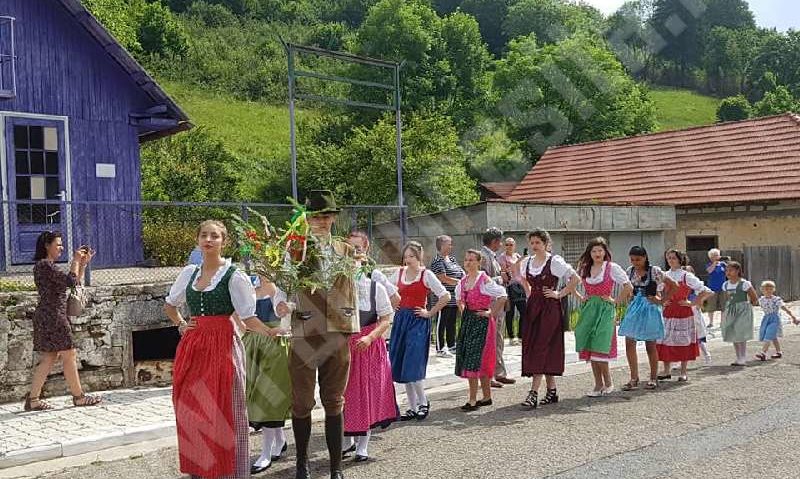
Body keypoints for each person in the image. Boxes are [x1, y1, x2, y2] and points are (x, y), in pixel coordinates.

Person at [166, 220, 277, 478]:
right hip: (194, 347)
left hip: (223, 345)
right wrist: (182, 325)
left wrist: (270, 331)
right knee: (191, 408)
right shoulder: (189, 273)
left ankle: (228, 471)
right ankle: (200, 468)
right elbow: (170, 305)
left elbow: (248, 317)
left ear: (223, 242)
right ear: (197, 241)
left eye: (214, 236)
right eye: (204, 235)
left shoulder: (233, 274)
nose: (208, 240)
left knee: (224, 409)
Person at [273, 190, 359, 479]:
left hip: (337, 331)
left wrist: (355, 325)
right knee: (302, 401)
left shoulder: (346, 250)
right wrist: (282, 308)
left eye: (327, 216)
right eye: (316, 216)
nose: (322, 221)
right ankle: (302, 463)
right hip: (305, 331)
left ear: (334, 218)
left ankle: (336, 467)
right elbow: (283, 287)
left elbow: (352, 289)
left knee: (334, 399)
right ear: (307, 219)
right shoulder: (296, 249)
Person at [24, 232, 100, 411]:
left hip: (49, 315)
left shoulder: (46, 267)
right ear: (47, 246)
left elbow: (73, 283)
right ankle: (79, 397)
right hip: (53, 316)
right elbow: (70, 280)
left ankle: (33, 399)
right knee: (69, 354)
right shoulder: (45, 266)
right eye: (58, 244)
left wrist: (82, 264)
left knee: (49, 358)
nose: (61, 247)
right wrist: (75, 260)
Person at [341, 231, 399, 463]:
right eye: (349, 249)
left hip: (368, 344)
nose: (353, 254)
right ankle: (347, 440)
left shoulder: (373, 281)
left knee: (365, 393)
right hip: (343, 344)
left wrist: (371, 335)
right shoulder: (337, 280)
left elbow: (390, 311)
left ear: (365, 251)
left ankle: (362, 443)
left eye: (357, 249)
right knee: (344, 393)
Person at [388, 241, 450, 421]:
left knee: (412, 363)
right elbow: (384, 289)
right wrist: (393, 305)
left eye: (412, 256)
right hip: (401, 321)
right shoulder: (399, 273)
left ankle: (423, 402)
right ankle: (412, 406)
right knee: (402, 363)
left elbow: (445, 295)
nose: (408, 260)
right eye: (406, 256)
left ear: (419, 257)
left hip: (417, 321)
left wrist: (429, 312)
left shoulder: (426, 274)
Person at [519, 229, 579, 409]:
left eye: (538, 242)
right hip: (533, 307)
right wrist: (529, 294)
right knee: (538, 346)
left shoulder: (554, 261)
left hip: (549, 308)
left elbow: (575, 279)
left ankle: (533, 392)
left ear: (546, 244)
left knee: (542, 346)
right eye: (532, 243)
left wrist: (559, 294)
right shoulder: (528, 262)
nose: (534, 246)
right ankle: (551, 390)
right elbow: (523, 280)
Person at [243, 276, 291, 474]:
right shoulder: (248, 284)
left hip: (274, 345)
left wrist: (284, 327)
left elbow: (288, 316)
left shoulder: (281, 287)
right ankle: (280, 440)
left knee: (267, 398)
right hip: (252, 344)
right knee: (255, 396)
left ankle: (266, 453)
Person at [574, 237, 633, 397]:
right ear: (590, 253)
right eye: (594, 251)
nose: (597, 253)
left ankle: (607, 381)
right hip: (589, 310)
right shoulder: (585, 268)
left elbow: (628, 286)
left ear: (605, 252)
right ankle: (598, 384)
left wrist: (615, 301)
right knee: (590, 346)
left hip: (605, 309)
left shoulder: (611, 267)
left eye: (600, 250)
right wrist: (581, 297)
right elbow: (570, 283)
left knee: (600, 344)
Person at [455, 249, 508, 411]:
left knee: (479, 359)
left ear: (479, 262)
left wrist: (491, 312)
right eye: (466, 260)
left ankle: (477, 398)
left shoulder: (484, 280)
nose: (468, 263)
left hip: (482, 322)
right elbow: (459, 300)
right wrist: (463, 309)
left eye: (472, 260)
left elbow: (503, 295)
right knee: (470, 358)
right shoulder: (462, 282)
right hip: (468, 322)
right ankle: (483, 397)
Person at [618, 246, 671, 391]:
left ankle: (653, 378)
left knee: (650, 344)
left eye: (638, 259)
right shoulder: (629, 271)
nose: (635, 262)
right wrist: (630, 297)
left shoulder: (654, 271)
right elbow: (628, 289)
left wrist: (661, 301)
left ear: (645, 257)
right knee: (629, 341)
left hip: (650, 309)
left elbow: (674, 285)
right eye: (633, 259)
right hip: (634, 308)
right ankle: (634, 378)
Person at [657, 249, 711, 382]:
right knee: (665, 340)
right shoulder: (664, 275)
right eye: (668, 258)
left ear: (680, 259)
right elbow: (657, 291)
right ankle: (666, 370)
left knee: (683, 341)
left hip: (683, 313)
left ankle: (683, 371)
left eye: (673, 258)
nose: (670, 260)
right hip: (668, 312)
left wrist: (693, 303)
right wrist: (662, 301)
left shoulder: (686, 276)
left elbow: (706, 291)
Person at [480, 227, 515, 388]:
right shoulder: (483, 257)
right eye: (500, 241)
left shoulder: (491, 256)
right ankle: (489, 374)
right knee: (491, 340)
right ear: (494, 241)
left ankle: (499, 372)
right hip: (490, 304)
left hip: (498, 303)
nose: (501, 244)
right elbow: (481, 280)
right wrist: (500, 278)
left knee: (498, 339)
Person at [430, 235, 464, 358]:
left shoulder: (453, 259)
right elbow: (443, 278)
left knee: (452, 322)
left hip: (454, 297)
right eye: (449, 244)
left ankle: (451, 345)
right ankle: (440, 348)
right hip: (442, 299)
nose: (451, 246)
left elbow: (461, 272)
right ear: (442, 245)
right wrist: (460, 282)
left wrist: (464, 279)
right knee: (441, 322)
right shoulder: (437, 261)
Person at [720, 261, 758, 366]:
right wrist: (724, 311)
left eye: (730, 270)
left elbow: (754, 298)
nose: (728, 272)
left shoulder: (745, 283)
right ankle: (738, 356)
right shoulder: (725, 284)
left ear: (737, 271)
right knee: (732, 332)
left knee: (740, 331)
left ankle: (743, 356)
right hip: (731, 310)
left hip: (743, 310)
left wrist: (747, 307)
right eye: (726, 270)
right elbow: (726, 299)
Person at [755, 280, 798, 360]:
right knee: (773, 337)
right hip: (766, 318)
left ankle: (763, 353)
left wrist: (793, 317)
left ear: (773, 289)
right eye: (766, 289)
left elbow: (784, 308)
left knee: (769, 334)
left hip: (775, 319)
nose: (768, 291)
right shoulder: (761, 300)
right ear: (762, 290)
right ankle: (779, 352)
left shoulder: (776, 299)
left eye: (770, 289)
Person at [497, 237, 526, 346]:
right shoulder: (502, 257)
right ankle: (511, 336)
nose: (509, 246)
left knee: (524, 311)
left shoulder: (517, 256)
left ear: (515, 245)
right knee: (510, 312)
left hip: (520, 285)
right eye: (507, 244)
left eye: (511, 244)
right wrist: (519, 261)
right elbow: (505, 271)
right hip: (509, 286)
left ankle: (521, 335)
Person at [704, 248, 727, 328]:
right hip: (712, 288)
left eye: (717, 255)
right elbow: (709, 271)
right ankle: (710, 322)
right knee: (711, 306)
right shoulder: (709, 264)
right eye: (714, 255)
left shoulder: (723, 264)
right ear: (710, 257)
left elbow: (728, 272)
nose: (717, 257)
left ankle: (722, 322)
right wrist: (714, 264)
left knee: (724, 306)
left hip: (723, 288)